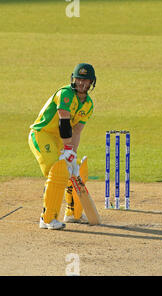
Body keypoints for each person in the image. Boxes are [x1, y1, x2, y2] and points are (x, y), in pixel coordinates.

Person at [28, 63, 96, 230]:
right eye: (79, 79)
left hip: (59, 139)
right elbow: (64, 123)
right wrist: (67, 150)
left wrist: (72, 154)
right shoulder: (65, 94)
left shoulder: (88, 105)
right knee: (58, 170)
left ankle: (73, 213)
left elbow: (76, 132)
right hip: (42, 134)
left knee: (76, 169)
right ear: (73, 79)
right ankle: (47, 218)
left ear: (91, 82)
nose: (82, 83)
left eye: (85, 80)